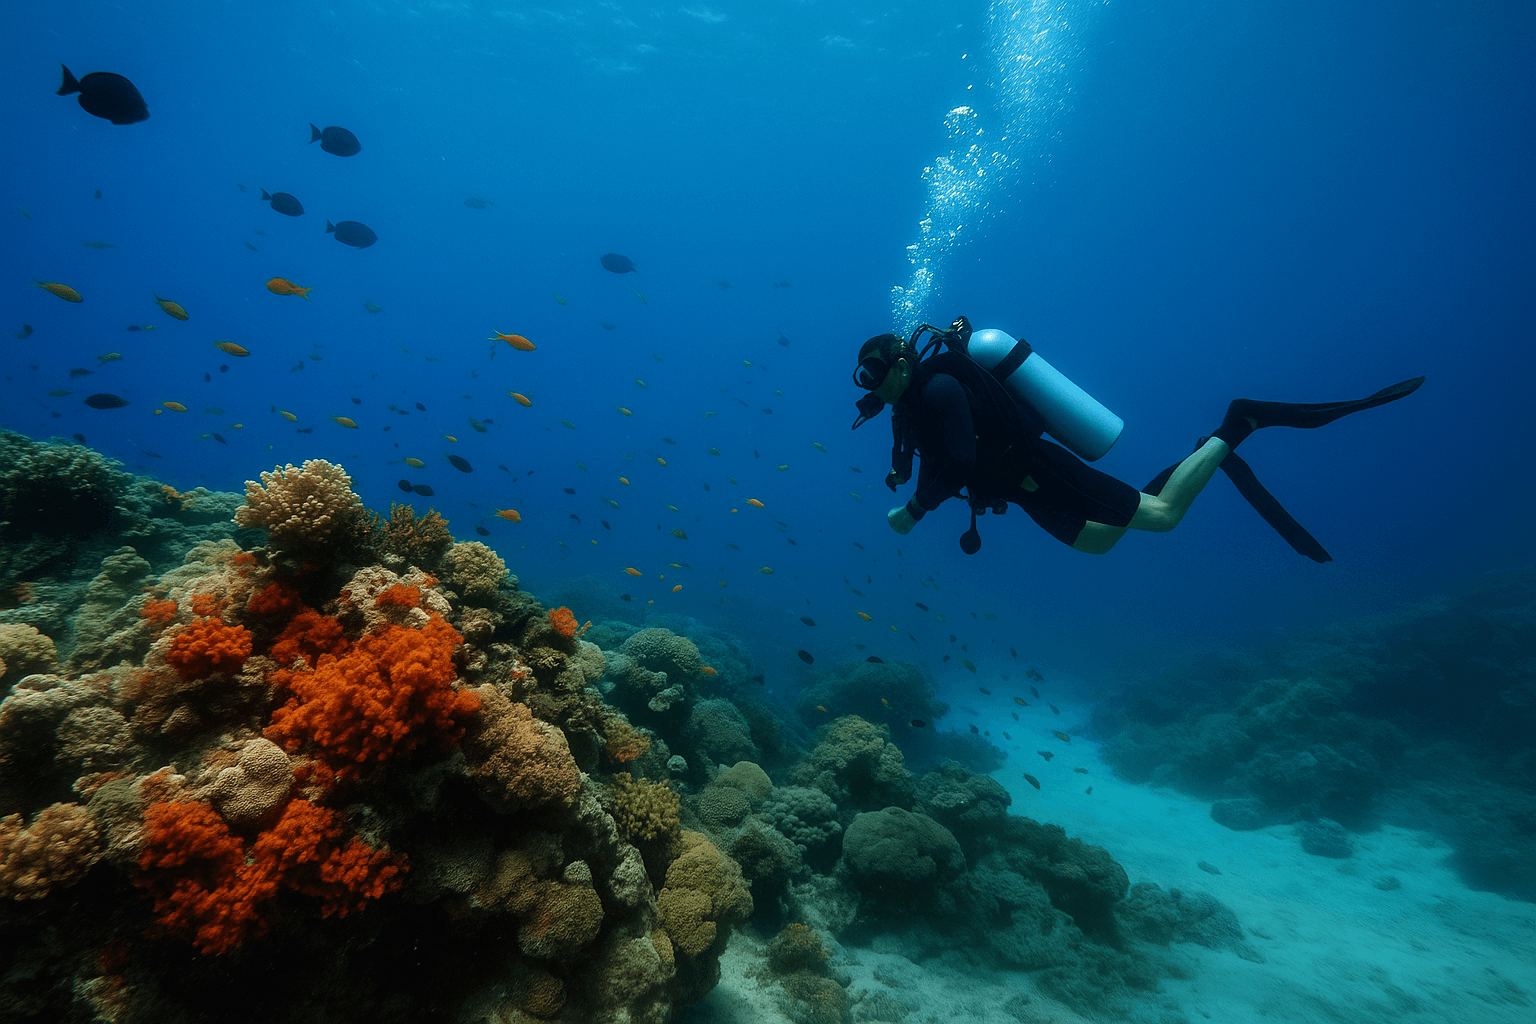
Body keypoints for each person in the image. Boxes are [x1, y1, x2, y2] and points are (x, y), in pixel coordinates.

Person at [851, 319, 1423, 561]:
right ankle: (1200, 457)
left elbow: (957, 459)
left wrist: (917, 510)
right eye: (865, 377)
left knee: (1165, 516)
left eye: (878, 371)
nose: (873, 384)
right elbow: (940, 459)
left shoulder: (941, 388)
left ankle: (1238, 423)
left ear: (903, 363)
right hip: (1021, 489)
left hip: (1038, 470)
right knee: (1100, 543)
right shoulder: (911, 405)